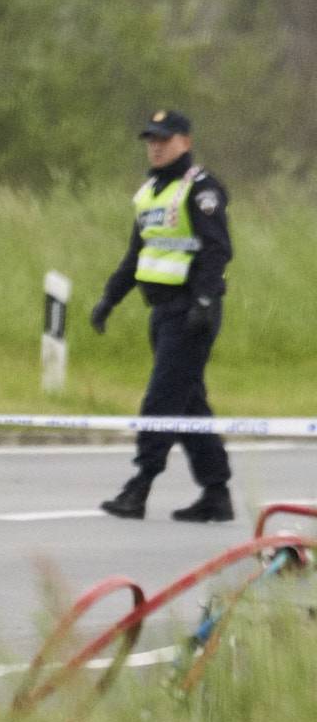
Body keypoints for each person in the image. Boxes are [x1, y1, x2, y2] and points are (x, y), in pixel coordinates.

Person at [89, 109, 235, 523]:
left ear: (185, 142)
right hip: (162, 312)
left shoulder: (201, 189)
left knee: (161, 399)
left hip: (191, 313)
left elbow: (216, 250)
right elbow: (138, 254)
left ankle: (139, 486)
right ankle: (216, 492)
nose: (155, 146)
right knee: (188, 404)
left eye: (164, 139)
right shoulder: (149, 193)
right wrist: (110, 299)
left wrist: (205, 301)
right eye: (151, 139)